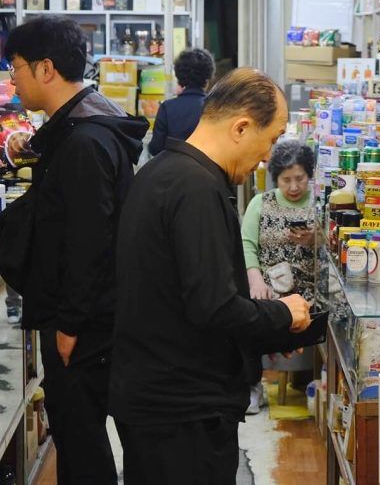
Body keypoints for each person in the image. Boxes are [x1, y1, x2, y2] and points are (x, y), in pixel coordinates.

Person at [111, 68, 313, 485]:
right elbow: (214, 306)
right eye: (271, 139)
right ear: (241, 127)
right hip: (182, 412)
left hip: (159, 399)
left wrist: (272, 329)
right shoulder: (196, 189)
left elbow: (184, 296)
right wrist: (281, 314)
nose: (266, 156)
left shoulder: (162, 172)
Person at [0, 17, 148, 484]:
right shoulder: (82, 127)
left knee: (81, 440)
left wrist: (70, 323)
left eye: (15, 68)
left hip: (84, 323)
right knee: (79, 436)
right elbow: (58, 206)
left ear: (45, 70)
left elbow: (89, 240)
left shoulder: (85, 142)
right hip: (87, 315)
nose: (11, 80)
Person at [243, 139, 317, 414]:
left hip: (309, 289)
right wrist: (255, 280)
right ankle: (252, 385)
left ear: (310, 175)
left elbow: (331, 249)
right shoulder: (260, 203)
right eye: (286, 180)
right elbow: (247, 244)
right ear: (276, 179)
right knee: (249, 311)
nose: (294, 187)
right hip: (268, 289)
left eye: (300, 178)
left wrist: (314, 240)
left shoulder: (319, 205)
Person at [148, 47, 215, 156]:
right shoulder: (215, 107)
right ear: (208, 78)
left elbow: (155, 148)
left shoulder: (167, 108)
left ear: (179, 77)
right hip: (206, 170)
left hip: (173, 170)